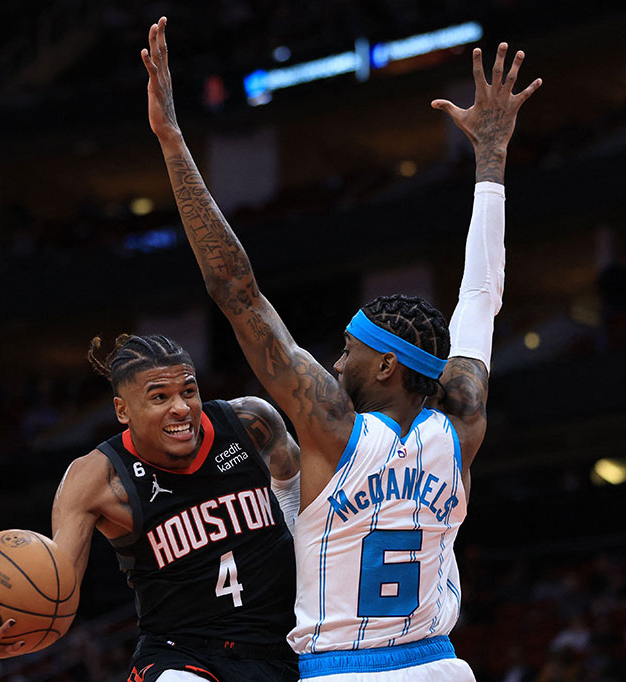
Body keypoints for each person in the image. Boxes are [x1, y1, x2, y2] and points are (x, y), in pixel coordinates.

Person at [141, 16, 541, 681]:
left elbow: (236, 290)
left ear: (385, 364)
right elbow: (481, 298)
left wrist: (172, 140)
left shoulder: (333, 428)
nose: (335, 361)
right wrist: (491, 161)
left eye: (349, 349)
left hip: (345, 670)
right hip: (441, 667)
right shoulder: (460, 421)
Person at [0, 333, 302, 681]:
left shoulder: (249, 423)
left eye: (188, 391)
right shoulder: (95, 478)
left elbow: (295, 484)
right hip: (184, 653)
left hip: (285, 640)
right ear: (123, 409)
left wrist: (293, 547)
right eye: (160, 397)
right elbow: (57, 597)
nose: (181, 408)